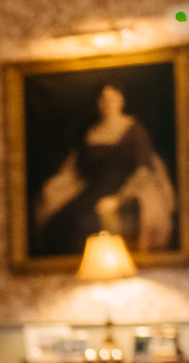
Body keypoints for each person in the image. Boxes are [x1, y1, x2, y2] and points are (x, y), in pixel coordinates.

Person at [34, 83, 175, 255]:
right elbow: (74, 170)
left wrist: (117, 199)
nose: (107, 103)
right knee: (59, 223)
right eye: (103, 99)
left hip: (124, 191)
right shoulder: (91, 132)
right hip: (90, 192)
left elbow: (144, 173)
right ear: (98, 103)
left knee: (87, 223)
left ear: (120, 100)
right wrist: (52, 187)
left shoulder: (134, 130)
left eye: (112, 98)